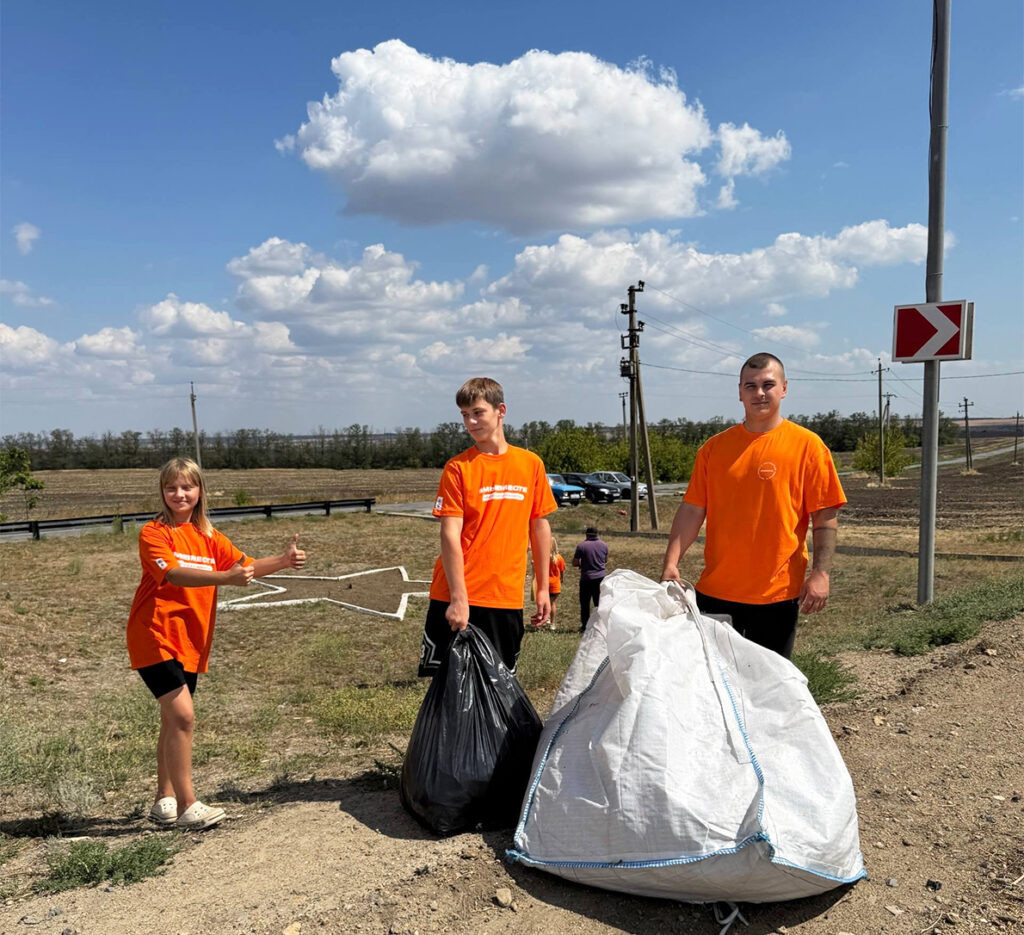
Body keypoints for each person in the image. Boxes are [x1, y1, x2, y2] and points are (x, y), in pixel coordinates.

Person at [127, 457, 306, 830]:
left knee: (172, 719)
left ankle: (164, 799)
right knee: (183, 716)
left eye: (187, 487)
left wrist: (283, 560)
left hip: (190, 640)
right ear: (162, 492)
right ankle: (188, 806)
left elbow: (245, 566)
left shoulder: (209, 537)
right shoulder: (154, 533)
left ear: (199, 492)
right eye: (171, 487)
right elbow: (174, 574)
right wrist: (225, 578)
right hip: (154, 634)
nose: (179, 494)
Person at [661, 352, 845, 659]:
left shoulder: (808, 447)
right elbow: (692, 510)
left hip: (777, 596)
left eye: (768, 385)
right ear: (740, 392)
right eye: (751, 386)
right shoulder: (714, 449)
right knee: (716, 680)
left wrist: (821, 574)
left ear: (784, 388)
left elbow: (825, 517)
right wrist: (671, 561)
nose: (759, 393)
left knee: (768, 682)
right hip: (716, 593)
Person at [418, 377, 558, 677]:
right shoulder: (458, 468)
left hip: (505, 595)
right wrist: (458, 599)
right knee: (452, 690)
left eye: (478, 412)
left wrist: (543, 588)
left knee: (500, 686)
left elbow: (539, 528)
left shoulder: (530, 464)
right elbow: (450, 534)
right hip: (458, 594)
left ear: (500, 411)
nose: (470, 422)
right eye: (464, 415)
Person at [573, 526, 608, 632]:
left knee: (585, 604)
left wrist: (581, 564)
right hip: (600, 578)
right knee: (599, 603)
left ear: (586, 535)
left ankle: (585, 626)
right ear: (597, 534)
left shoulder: (581, 546)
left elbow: (575, 562)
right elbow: (605, 560)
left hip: (586, 578)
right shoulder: (604, 545)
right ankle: (600, 625)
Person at [531, 536, 566, 631]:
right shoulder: (559, 558)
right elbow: (562, 572)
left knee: (543, 604)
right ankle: (552, 623)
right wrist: (561, 580)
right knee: (552, 603)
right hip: (555, 585)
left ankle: (542, 620)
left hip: (543, 585)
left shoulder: (542, 557)